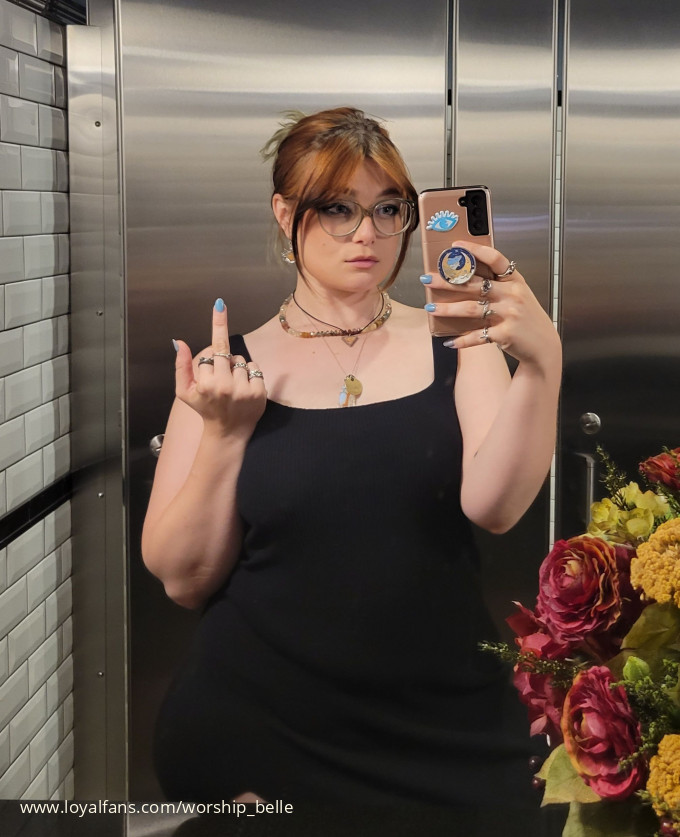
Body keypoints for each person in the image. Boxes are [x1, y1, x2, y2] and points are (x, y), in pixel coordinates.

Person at [142, 107, 562, 808]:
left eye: (388, 209)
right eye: (337, 209)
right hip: (261, 741)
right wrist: (224, 432)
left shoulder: (462, 341)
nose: (367, 233)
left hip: (447, 734)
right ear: (286, 214)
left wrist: (544, 362)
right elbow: (183, 580)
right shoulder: (228, 369)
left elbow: (495, 507)